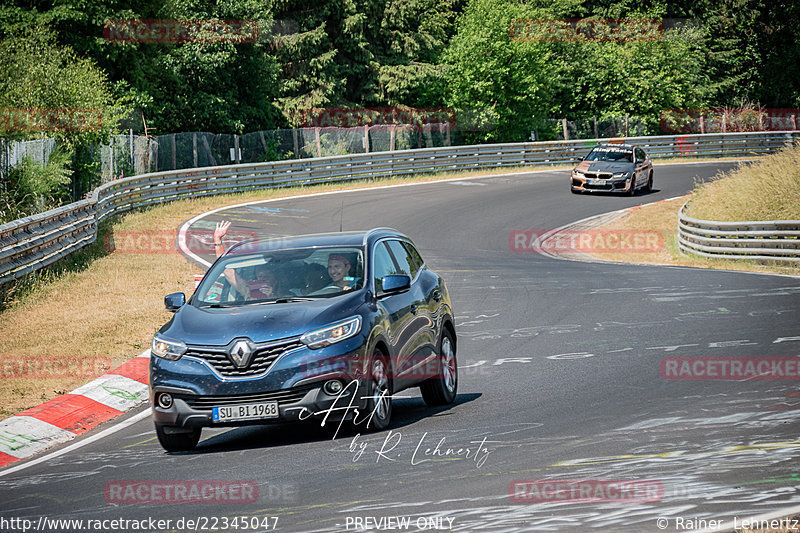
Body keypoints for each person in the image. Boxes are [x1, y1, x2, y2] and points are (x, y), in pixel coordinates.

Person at [213, 220, 277, 300]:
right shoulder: (249, 291)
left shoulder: (288, 296)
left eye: (266, 277)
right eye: (259, 277)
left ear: (275, 280)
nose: (261, 280)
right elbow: (227, 270)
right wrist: (218, 241)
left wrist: (271, 296)